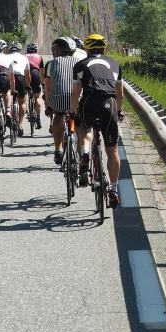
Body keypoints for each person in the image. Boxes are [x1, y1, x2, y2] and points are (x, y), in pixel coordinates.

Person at [70, 33, 124, 208]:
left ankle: (85, 152)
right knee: (112, 149)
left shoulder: (80, 64)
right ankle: (114, 189)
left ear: (86, 48)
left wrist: (72, 113)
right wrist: (119, 110)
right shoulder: (115, 64)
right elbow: (120, 93)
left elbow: (76, 92)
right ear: (104, 48)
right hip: (109, 103)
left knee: (85, 130)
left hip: (89, 102)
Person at [43, 37, 78, 166]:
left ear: (58, 50)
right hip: (77, 98)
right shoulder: (80, 62)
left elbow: (48, 87)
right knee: (79, 122)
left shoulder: (52, 63)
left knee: (58, 116)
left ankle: (58, 149)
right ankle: (82, 151)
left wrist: (48, 105)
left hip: (60, 97)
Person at [8, 40, 31, 135]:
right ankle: (20, 124)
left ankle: (8, 113)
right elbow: (28, 75)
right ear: (19, 50)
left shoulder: (6, 57)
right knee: (22, 102)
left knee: (9, 99)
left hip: (9, 78)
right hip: (20, 78)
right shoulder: (24, 58)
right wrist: (28, 86)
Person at [25, 42, 45, 131]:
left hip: (26, 75)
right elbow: (42, 72)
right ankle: (38, 117)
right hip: (35, 74)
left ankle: (25, 109)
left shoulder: (24, 56)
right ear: (36, 50)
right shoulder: (39, 57)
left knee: (23, 96)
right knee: (37, 97)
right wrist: (42, 82)